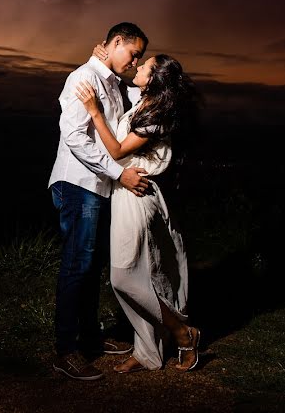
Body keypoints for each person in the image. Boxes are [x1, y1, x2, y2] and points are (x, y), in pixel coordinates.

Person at [74, 49, 202, 373]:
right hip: (125, 191)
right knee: (144, 274)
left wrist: (94, 112)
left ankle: (182, 331)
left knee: (124, 278)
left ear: (155, 78)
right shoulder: (145, 101)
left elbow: (116, 151)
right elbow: (116, 79)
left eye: (145, 66)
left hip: (136, 194)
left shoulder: (157, 115)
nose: (138, 66)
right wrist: (99, 58)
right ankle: (147, 352)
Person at [48, 22, 151, 381]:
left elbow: (132, 105)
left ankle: (91, 337)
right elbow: (75, 136)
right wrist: (118, 172)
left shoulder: (109, 80)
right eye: (133, 53)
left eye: (140, 58)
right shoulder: (83, 76)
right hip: (78, 183)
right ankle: (66, 350)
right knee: (78, 264)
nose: (136, 63)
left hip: (97, 185)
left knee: (91, 265)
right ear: (117, 42)